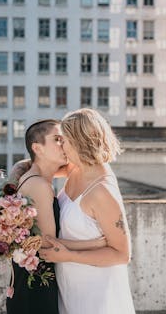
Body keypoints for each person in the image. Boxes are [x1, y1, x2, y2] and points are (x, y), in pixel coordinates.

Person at [39, 108, 135, 314]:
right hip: (70, 288)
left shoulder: (102, 191)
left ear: (79, 142)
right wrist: (15, 175)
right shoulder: (75, 168)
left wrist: (69, 254)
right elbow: (38, 168)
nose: (61, 145)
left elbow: (122, 254)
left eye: (63, 140)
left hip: (97, 295)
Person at [7, 119, 106, 314]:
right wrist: (95, 244)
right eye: (57, 139)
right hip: (35, 285)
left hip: (33, 278)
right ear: (38, 148)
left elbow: (77, 165)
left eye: (65, 139)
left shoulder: (34, 177)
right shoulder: (39, 186)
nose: (64, 144)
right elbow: (47, 244)